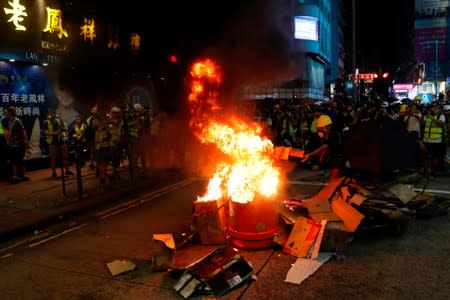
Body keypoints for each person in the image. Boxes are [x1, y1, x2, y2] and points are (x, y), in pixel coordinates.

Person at [301, 114, 343, 179]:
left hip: (338, 157)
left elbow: (325, 147)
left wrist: (310, 155)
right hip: (329, 157)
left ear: (329, 127)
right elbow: (322, 149)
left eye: (321, 128)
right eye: (319, 128)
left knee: (334, 174)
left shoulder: (335, 135)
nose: (319, 130)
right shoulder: (321, 135)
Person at [43, 110, 74, 178]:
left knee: (65, 156)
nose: (51, 115)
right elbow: (45, 132)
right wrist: (55, 133)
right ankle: (54, 173)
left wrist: (63, 129)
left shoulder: (59, 120)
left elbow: (64, 128)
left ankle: (67, 171)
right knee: (53, 158)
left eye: (52, 113)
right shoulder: (46, 122)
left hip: (61, 141)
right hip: (52, 143)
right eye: (49, 114)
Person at [3, 106, 30, 183]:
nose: (5, 114)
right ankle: (17, 176)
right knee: (14, 161)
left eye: (6, 113)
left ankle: (20, 176)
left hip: (19, 145)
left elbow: (23, 131)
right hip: (12, 145)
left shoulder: (17, 120)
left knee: (18, 161)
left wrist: (26, 141)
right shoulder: (10, 121)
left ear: (11, 113)